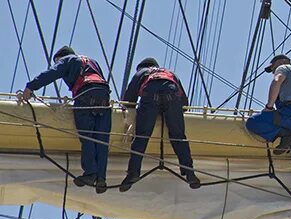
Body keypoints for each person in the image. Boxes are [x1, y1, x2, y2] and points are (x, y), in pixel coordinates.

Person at [18, 46, 111, 193]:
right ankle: (101, 179)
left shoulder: (67, 60)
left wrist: (31, 86)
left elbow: (53, 73)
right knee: (102, 140)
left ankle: (91, 173)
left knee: (87, 137)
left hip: (85, 95)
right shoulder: (92, 62)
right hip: (104, 95)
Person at [245, 55, 291, 215]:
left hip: (289, 115)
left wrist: (269, 106)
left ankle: (285, 134)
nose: (273, 71)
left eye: (272, 67)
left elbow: (277, 81)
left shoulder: (284, 68)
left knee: (252, 123)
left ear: (279, 63)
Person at [119, 58, 199, 191]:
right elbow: (184, 104)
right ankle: (189, 172)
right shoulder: (169, 73)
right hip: (172, 95)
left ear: (141, 67)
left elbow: (129, 100)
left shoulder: (142, 72)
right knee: (179, 136)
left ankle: (133, 173)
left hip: (150, 96)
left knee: (142, 137)